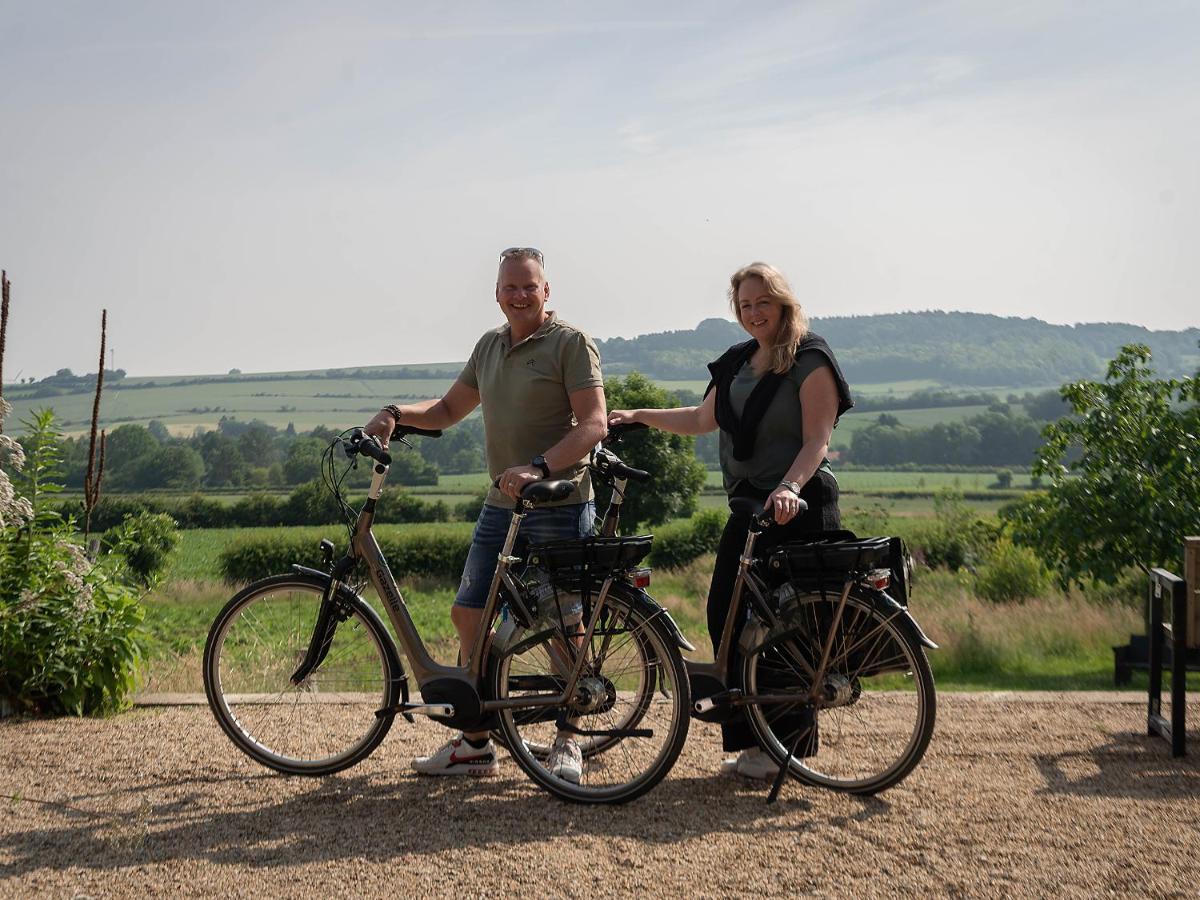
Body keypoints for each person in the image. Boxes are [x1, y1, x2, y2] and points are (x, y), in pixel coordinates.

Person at [363, 246, 607, 783]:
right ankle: (476, 742)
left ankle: (569, 739)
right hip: (502, 503)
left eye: (529, 286)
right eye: (509, 287)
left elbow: (593, 425)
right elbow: (450, 410)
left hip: (558, 501)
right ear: (496, 294)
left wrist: (540, 466)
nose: (519, 295)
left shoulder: (570, 343)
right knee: (469, 614)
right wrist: (397, 412)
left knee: (562, 622)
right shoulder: (489, 346)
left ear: (547, 291)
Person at [608, 261, 852, 780]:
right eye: (744, 305)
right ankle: (752, 740)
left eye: (762, 302)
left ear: (783, 302)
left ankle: (784, 748)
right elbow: (701, 420)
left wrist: (790, 487)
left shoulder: (811, 360)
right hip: (749, 510)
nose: (753, 312)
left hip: (797, 506)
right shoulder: (739, 360)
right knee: (728, 616)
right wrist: (639, 415)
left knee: (785, 630)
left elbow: (817, 441)